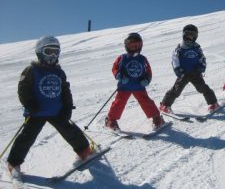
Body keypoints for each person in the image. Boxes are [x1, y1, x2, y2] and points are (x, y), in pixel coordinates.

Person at [7, 36, 93, 176]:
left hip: (57, 111)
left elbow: (65, 90)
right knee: (26, 137)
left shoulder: (59, 72)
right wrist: (30, 104)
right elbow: (23, 89)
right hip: (36, 112)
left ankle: (84, 150)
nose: (53, 55)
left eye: (56, 51)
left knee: (71, 131)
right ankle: (14, 163)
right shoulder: (31, 70)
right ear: (40, 52)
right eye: (49, 51)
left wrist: (67, 107)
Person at [105, 33, 165, 131]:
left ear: (141, 46)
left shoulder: (142, 59)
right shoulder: (122, 57)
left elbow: (148, 71)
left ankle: (156, 118)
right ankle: (111, 121)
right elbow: (115, 67)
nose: (134, 48)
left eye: (136, 45)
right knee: (119, 103)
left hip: (139, 86)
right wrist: (118, 75)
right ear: (126, 46)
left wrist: (147, 80)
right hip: (124, 86)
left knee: (146, 101)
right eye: (131, 45)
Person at [159, 24, 220, 114]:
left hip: (195, 72)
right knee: (176, 90)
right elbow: (174, 59)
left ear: (196, 36)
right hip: (183, 73)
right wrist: (177, 69)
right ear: (184, 35)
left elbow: (202, 58)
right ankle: (165, 105)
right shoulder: (180, 48)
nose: (190, 36)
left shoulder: (197, 48)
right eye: (188, 34)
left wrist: (201, 66)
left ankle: (213, 103)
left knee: (202, 88)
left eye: (192, 34)